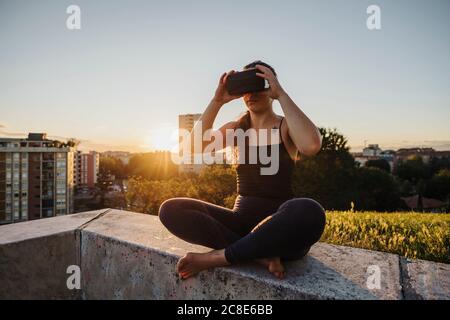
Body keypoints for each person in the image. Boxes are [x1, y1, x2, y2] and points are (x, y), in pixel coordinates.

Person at [159, 60, 325, 280]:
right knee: (171, 209)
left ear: (270, 87)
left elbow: (311, 145)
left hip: (280, 232)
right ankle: (258, 254)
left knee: (310, 210)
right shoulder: (236, 129)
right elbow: (190, 148)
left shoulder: (284, 126)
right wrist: (217, 101)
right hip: (240, 226)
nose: (251, 93)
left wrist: (281, 94)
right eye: (246, 88)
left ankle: (218, 257)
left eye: (258, 86)